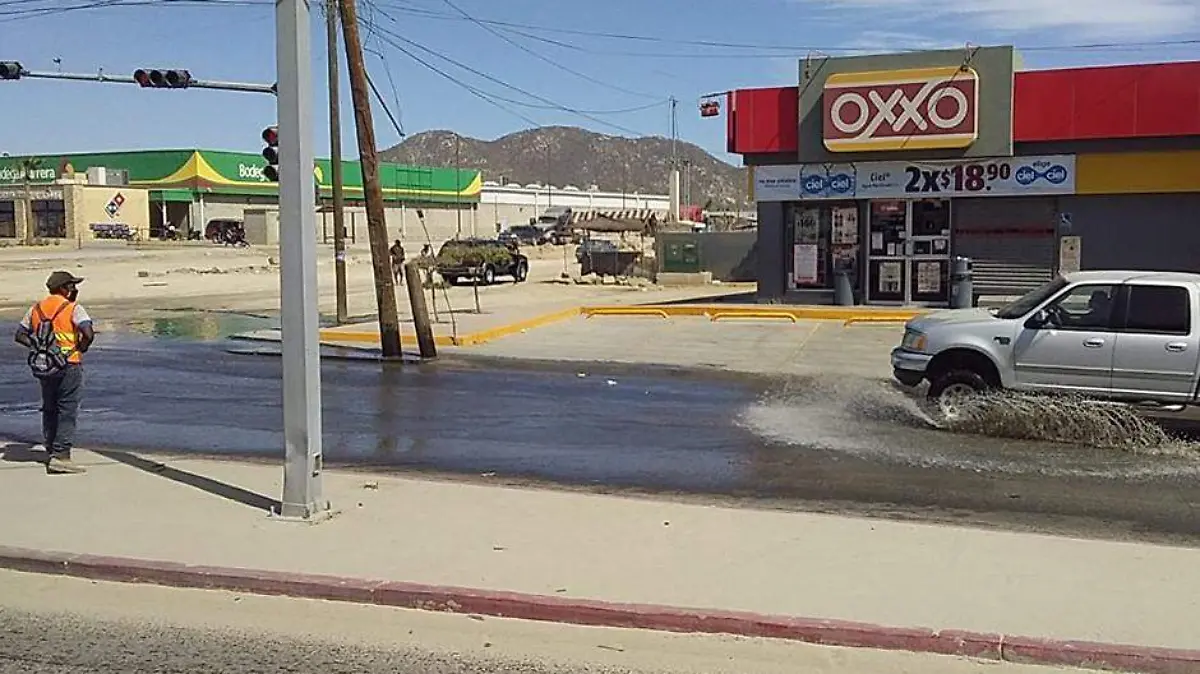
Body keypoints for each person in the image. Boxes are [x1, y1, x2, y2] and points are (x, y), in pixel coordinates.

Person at [14, 271, 95, 474]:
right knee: (67, 409)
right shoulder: (73, 308)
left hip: (45, 366)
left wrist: (38, 347)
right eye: (72, 286)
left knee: (49, 408)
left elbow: (20, 335)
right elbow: (88, 333)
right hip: (69, 363)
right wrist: (81, 347)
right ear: (63, 289)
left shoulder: (36, 309)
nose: (74, 290)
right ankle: (61, 456)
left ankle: (51, 448)